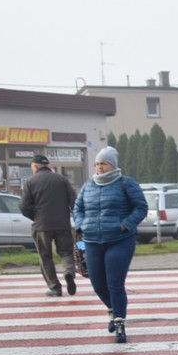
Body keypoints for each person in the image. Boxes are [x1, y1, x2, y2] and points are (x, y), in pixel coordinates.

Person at [72, 147, 148, 344]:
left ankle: (120, 325)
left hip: (119, 240)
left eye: (103, 164)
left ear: (112, 165)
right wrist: (81, 225)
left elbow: (141, 208)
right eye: (97, 164)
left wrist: (125, 225)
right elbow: (78, 209)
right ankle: (113, 310)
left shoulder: (126, 183)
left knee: (114, 284)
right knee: (98, 284)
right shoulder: (88, 186)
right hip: (92, 241)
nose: (99, 167)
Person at [20, 155, 77, 297]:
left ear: (34, 166)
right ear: (47, 166)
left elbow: (23, 206)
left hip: (41, 226)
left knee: (45, 256)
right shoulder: (61, 179)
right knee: (66, 252)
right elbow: (73, 201)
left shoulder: (30, 181)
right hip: (63, 224)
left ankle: (55, 288)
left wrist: (35, 217)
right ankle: (69, 271)